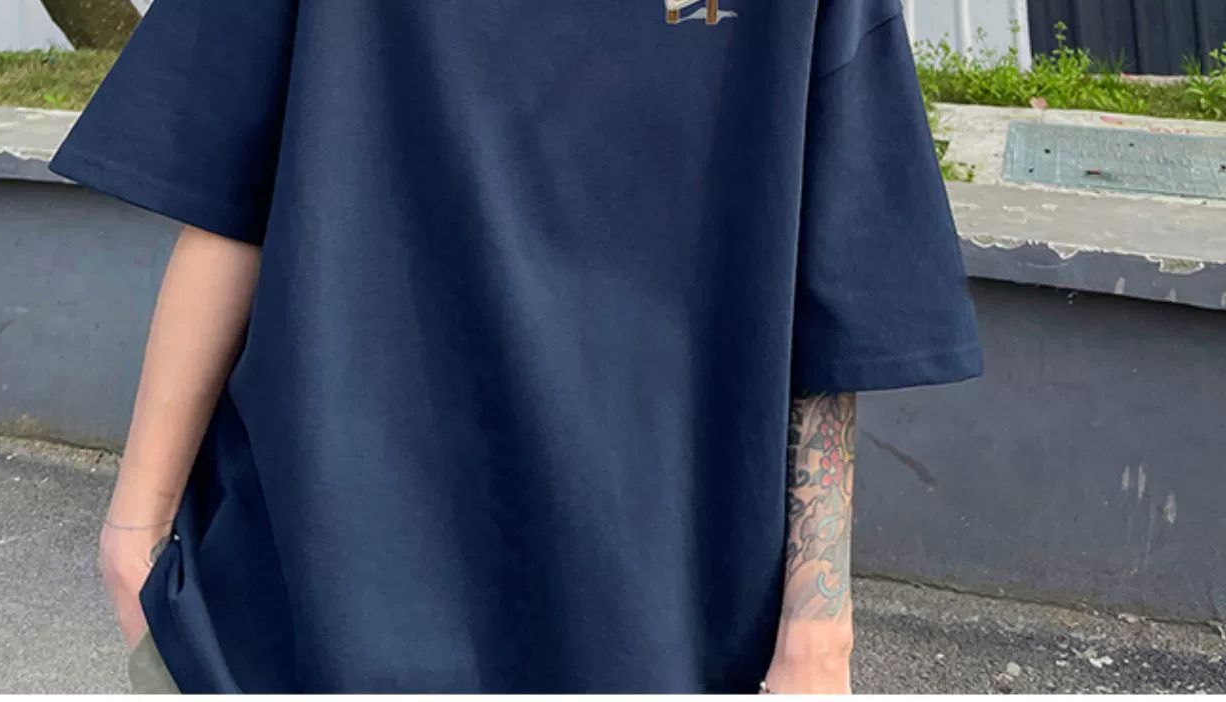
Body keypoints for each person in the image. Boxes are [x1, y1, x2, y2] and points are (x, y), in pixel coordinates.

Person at [48, 0, 981, 694]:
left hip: (657, 610)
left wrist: (819, 626)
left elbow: (833, 286)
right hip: (317, 589)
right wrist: (134, 532)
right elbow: (226, 190)